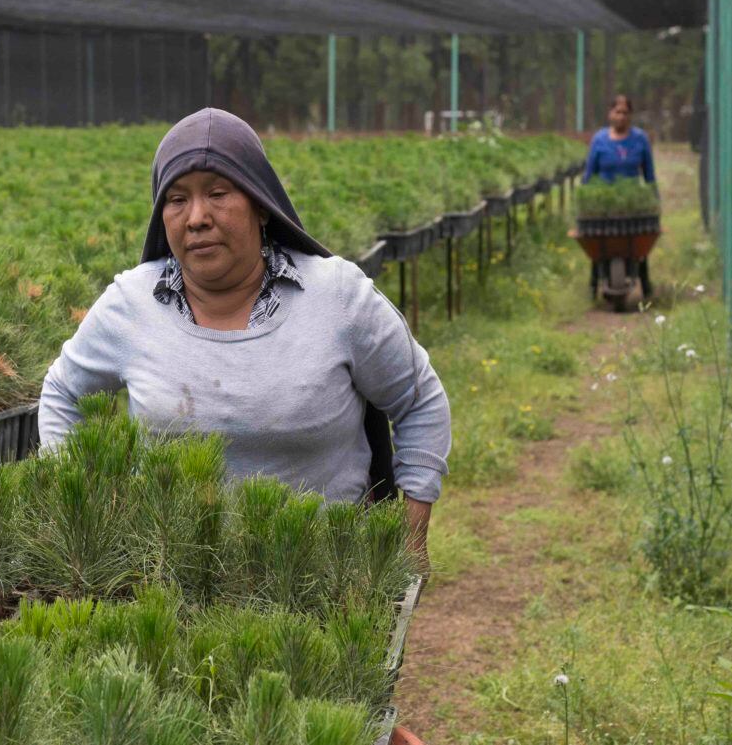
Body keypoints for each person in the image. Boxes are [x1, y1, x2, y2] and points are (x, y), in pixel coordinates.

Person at [38, 108, 452, 555]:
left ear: (260, 205)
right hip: (167, 579)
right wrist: (80, 501)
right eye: (176, 200)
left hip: (327, 576)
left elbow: (418, 400)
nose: (196, 217)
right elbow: (62, 391)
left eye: (218, 193)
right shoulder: (131, 305)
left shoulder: (336, 297)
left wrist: (410, 539)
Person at [583, 95, 658, 297]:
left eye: (625, 112)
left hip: (632, 202)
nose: (621, 116)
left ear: (630, 115)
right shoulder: (599, 140)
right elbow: (589, 174)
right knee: (597, 243)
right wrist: (586, 198)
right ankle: (594, 279)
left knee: (638, 243)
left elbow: (649, 174)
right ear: (610, 114)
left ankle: (643, 276)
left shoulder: (640, 139)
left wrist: (653, 199)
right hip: (604, 204)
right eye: (617, 112)